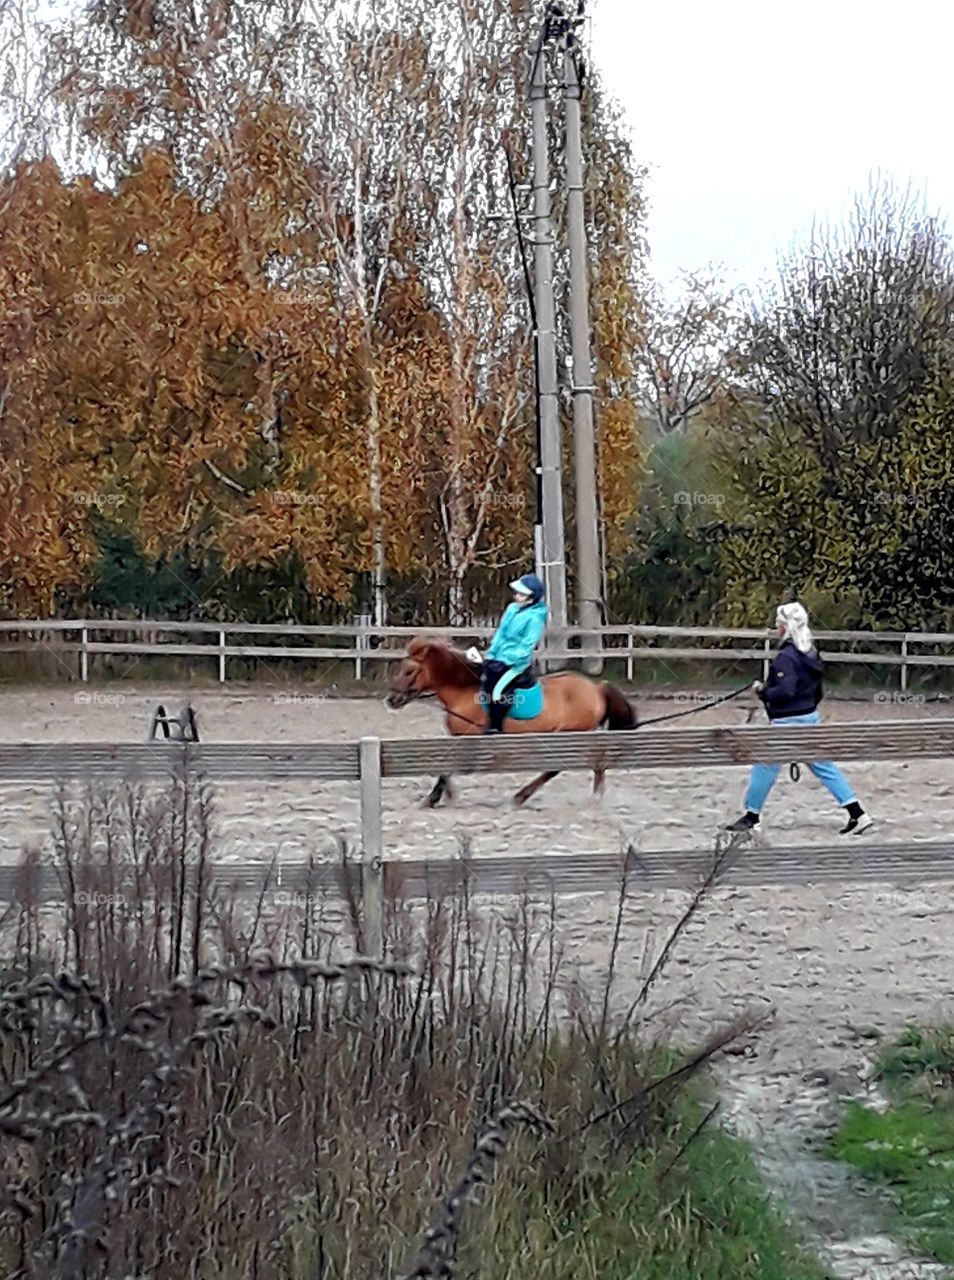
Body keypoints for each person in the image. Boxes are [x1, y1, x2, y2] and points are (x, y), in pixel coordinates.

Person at [725, 601, 873, 836]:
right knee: (824, 767)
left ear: (785, 626)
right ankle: (858, 813)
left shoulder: (787, 656)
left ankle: (752, 816)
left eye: (779, 623)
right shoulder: (810, 653)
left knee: (764, 765)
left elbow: (785, 691)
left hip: (787, 722)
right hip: (809, 717)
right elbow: (818, 691)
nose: (776, 626)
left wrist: (763, 692)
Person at [467, 574, 548, 734]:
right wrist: (491, 655)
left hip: (516, 664)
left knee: (498, 692)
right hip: (498, 657)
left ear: (531, 599)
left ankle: (496, 726)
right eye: (517, 593)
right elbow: (501, 634)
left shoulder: (535, 619)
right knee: (476, 669)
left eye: (522, 594)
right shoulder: (512, 609)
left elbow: (526, 647)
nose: (517, 596)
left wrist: (505, 661)